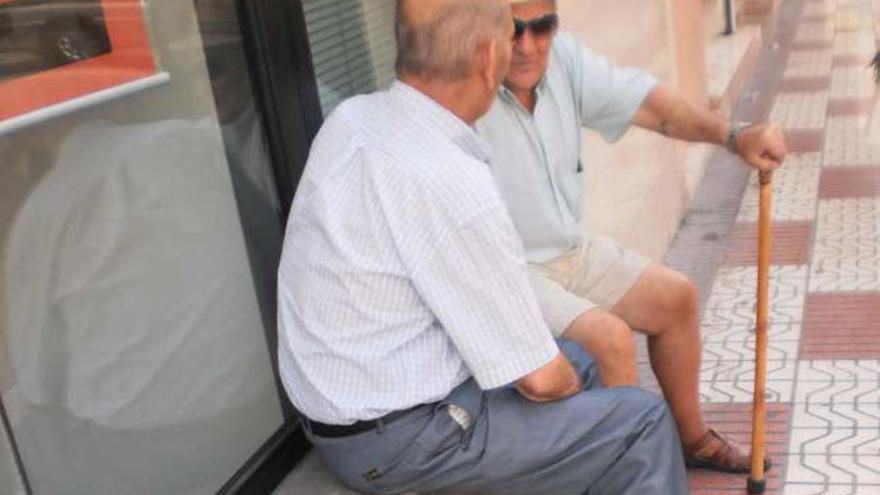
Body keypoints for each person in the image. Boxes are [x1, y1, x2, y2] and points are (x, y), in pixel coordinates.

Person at [276, 0, 688, 493]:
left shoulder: (353, 118)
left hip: (341, 419)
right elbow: (538, 379)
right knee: (638, 423)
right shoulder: (451, 179)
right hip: (402, 441)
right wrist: (574, 400)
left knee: (580, 363)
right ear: (489, 58)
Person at [475, 0, 788, 473]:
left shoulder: (564, 60)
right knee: (611, 339)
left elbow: (651, 106)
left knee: (676, 297)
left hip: (568, 249)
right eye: (512, 29)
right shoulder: (469, 88)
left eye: (542, 27)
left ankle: (691, 439)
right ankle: (636, 474)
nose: (527, 45)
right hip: (510, 268)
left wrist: (733, 136)